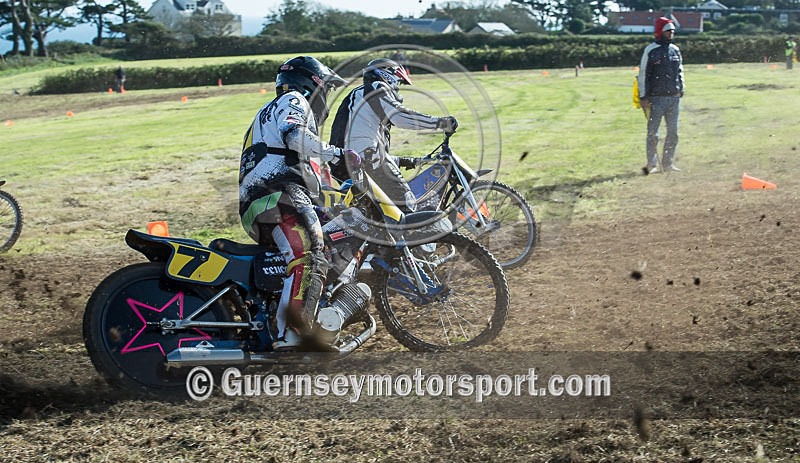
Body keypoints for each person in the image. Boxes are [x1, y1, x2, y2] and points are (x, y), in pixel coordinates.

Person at [239, 56, 352, 350]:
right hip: (278, 195)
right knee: (309, 252)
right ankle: (291, 334)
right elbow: (293, 136)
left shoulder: (265, 112)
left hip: (266, 198)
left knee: (327, 237)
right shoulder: (294, 99)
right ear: (314, 84)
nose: (326, 97)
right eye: (326, 89)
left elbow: (301, 166)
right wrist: (337, 153)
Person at [328, 58, 458, 211]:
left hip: (344, 162)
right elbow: (400, 117)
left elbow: (363, 140)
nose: (398, 87)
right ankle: (415, 233)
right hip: (363, 159)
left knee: (379, 212)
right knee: (406, 202)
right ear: (390, 75)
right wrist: (440, 123)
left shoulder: (360, 96)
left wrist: (408, 161)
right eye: (399, 82)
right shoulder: (376, 87)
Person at [638, 17, 685, 174]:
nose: (671, 34)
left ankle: (668, 163)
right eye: (667, 31)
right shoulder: (650, 50)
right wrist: (643, 96)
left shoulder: (675, 50)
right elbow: (644, 74)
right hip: (655, 99)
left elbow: (680, 71)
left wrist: (681, 88)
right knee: (653, 133)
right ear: (660, 32)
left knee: (673, 133)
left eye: (672, 31)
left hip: (674, 98)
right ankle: (651, 165)